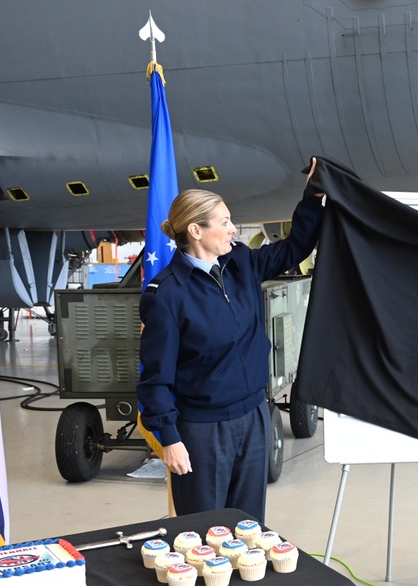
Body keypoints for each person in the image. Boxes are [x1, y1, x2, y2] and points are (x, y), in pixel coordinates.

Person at [137, 160, 323, 523]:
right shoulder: (168, 295)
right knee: (206, 532)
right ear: (195, 230)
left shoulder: (241, 263)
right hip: (203, 431)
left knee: (249, 526)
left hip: (253, 416)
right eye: (224, 222)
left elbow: (293, 248)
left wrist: (313, 196)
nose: (233, 229)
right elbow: (155, 378)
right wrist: (171, 439)